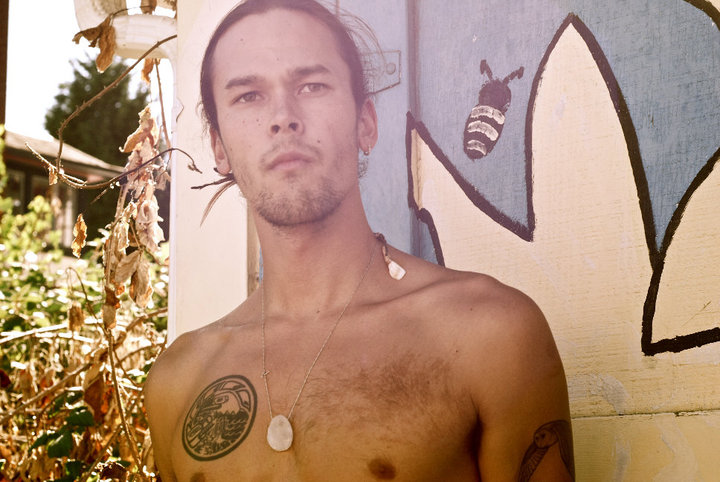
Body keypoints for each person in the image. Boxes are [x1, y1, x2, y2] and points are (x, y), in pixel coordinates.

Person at [144, 0, 574, 480]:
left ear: (365, 122)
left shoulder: (490, 337)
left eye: (311, 85)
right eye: (248, 96)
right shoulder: (177, 383)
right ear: (218, 147)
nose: (283, 117)